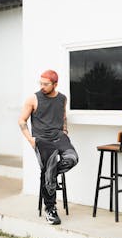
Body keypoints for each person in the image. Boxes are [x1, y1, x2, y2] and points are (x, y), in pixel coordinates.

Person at [18, 69, 78, 225]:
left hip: (59, 136)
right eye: (41, 83)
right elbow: (22, 121)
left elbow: (63, 116)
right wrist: (31, 140)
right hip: (42, 140)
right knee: (49, 166)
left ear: (55, 84)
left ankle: (48, 175)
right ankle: (50, 209)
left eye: (46, 84)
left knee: (73, 158)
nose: (42, 86)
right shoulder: (33, 99)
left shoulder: (62, 98)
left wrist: (64, 131)